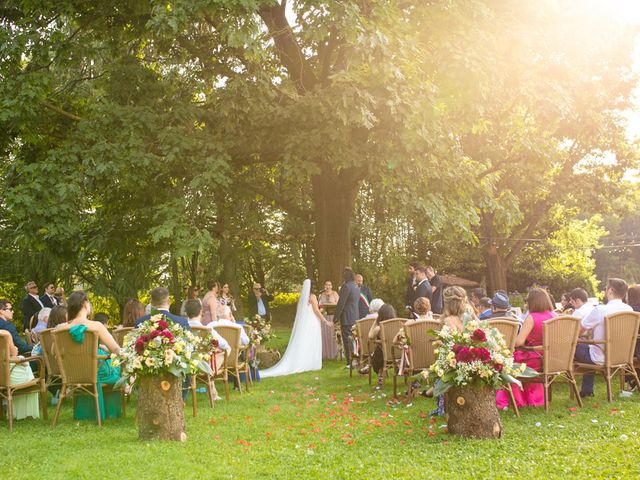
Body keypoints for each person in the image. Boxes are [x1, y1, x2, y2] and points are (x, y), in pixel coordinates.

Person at [56, 291, 122, 420]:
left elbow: (54, 351)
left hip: (72, 372)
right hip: (96, 371)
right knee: (115, 367)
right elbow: (115, 349)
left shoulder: (61, 328)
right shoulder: (96, 326)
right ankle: (114, 406)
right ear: (85, 303)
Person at [496, 288, 556, 409]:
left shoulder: (532, 317)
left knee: (505, 363)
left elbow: (519, 342)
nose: (526, 303)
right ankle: (533, 398)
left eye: (527, 300)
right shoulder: (554, 315)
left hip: (534, 357)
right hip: (551, 357)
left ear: (532, 302)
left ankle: (513, 400)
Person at [575, 278, 633, 397]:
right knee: (588, 347)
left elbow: (579, 331)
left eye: (606, 288)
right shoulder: (629, 310)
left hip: (600, 357)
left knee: (574, 346)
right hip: (623, 357)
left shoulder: (600, 310)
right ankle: (586, 390)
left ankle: (581, 388)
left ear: (610, 291)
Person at [261, 279, 325, 378]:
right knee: (311, 341)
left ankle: (303, 361)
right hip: (312, 321)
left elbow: (298, 311)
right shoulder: (312, 297)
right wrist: (324, 320)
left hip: (304, 323)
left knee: (304, 341)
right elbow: (316, 310)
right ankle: (310, 362)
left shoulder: (301, 298)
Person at [185, 299, 229, 402]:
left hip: (186, 364)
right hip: (203, 366)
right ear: (201, 312)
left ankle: (213, 390)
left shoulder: (182, 328)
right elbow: (224, 344)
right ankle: (212, 376)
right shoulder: (207, 330)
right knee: (225, 350)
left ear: (186, 313)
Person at [0, 331, 40, 420]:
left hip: (2, 377)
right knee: (24, 363)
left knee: (23, 362)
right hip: (11, 379)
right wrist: (15, 352)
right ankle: (27, 413)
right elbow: (13, 357)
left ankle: (15, 410)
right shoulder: (4, 334)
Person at [334, 267, 360, 367]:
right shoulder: (356, 286)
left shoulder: (346, 287)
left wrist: (335, 318)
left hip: (346, 317)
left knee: (347, 340)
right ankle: (356, 359)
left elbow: (341, 304)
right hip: (355, 316)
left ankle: (350, 361)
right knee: (354, 339)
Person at [367, 304, 397, 386]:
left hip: (383, 356)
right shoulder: (398, 326)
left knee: (378, 351)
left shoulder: (379, 327)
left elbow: (370, 336)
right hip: (397, 354)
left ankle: (380, 374)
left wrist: (376, 322)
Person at [319, 280, 340, 360]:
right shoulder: (322, 295)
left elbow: (338, 304)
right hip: (325, 317)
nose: (328, 286)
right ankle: (326, 354)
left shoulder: (335, 294)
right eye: (326, 285)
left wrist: (329, 304)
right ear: (324, 286)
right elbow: (320, 305)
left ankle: (334, 354)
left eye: (329, 285)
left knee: (333, 334)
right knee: (325, 334)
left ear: (332, 286)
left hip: (333, 316)